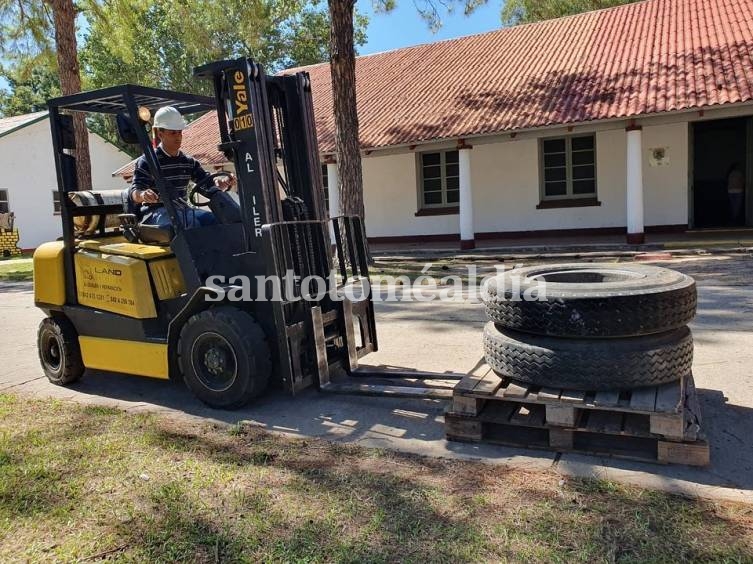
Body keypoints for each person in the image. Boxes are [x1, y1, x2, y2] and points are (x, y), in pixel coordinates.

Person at [129, 106, 235, 228]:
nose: (178, 137)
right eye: (173, 133)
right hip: (155, 213)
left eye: (180, 132)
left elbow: (206, 183)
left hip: (182, 211)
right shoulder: (148, 161)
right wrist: (143, 195)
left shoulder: (188, 162)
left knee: (218, 220)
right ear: (160, 133)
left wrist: (222, 183)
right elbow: (134, 193)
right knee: (190, 224)